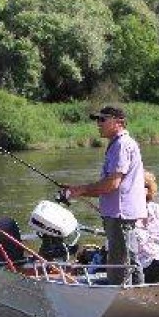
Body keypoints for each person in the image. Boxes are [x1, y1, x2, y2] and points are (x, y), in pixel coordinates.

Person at [63, 106, 146, 285]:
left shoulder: (121, 145)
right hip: (119, 213)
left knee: (120, 263)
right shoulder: (118, 144)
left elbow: (112, 184)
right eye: (97, 120)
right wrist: (79, 190)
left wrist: (80, 190)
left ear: (118, 122)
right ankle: (137, 294)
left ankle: (125, 298)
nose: (98, 124)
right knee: (128, 259)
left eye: (102, 119)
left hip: (120, 215)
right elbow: (111, 185)